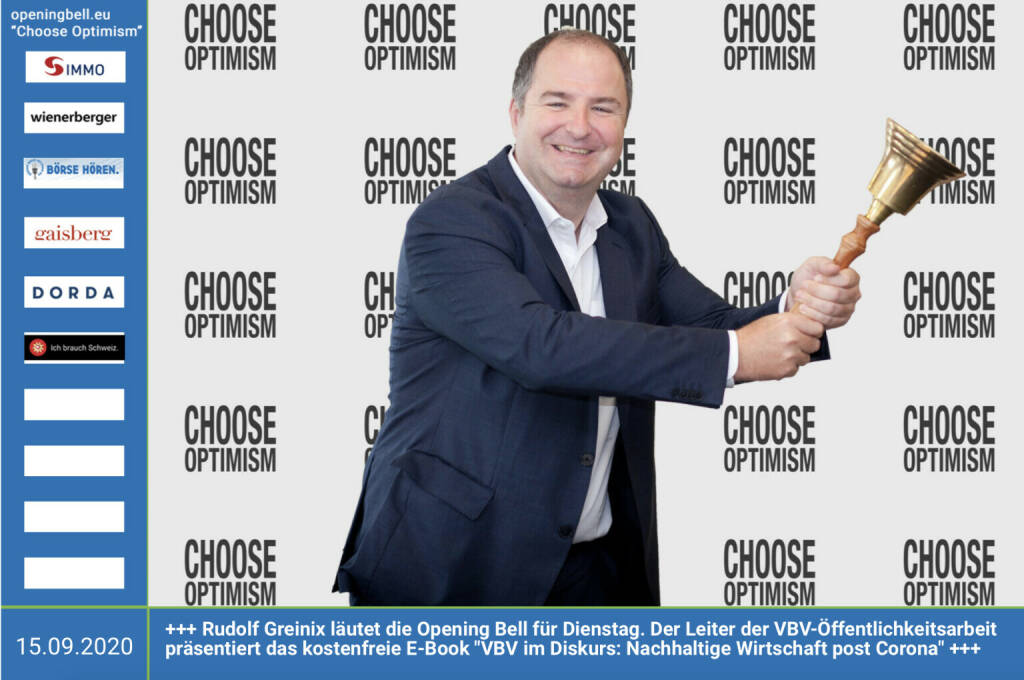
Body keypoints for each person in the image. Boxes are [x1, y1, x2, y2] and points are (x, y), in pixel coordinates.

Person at [333, 29, 860, 605]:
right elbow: (540, 347)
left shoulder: (631, 225)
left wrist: (796, 308)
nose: (580, 126)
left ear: (624, 126)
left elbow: (713, 325)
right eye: (557, 102)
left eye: (603, 108)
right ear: (516, 113)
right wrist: (736, 355)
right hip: (450, 565)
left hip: (596, 569)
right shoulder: (452, 222)